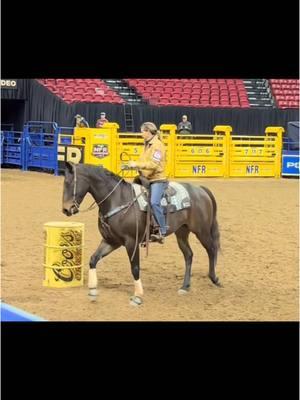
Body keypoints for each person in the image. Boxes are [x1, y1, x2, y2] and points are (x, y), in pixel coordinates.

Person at [127, 122, 168, 243]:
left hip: (157, 179)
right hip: (146, 178)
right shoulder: (147, 145)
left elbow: (153, 165)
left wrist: (137, 164)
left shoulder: (158, 145)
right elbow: (142, 161)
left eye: (142, 131)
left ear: (148, 131)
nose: (141, 134)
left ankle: (162, 229)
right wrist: (132, 165)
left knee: (154, 202)